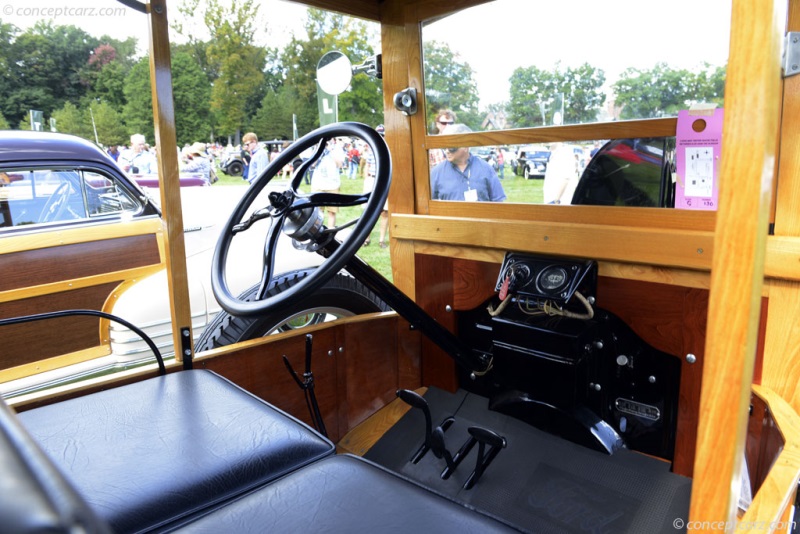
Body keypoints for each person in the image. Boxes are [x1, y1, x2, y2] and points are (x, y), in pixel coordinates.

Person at [430, 124, 506, 202]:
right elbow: (429, 205)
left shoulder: (486, 169)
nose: (447, 151)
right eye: (444, 146)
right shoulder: (436, 172)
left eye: (451, 147)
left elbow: (498, 201)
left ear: (466, 146)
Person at [311, 139, 345, 227]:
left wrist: (331, 151)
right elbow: (312, 165)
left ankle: (330, 233)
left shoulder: (337, 149)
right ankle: (318, 233)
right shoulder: (316, 149)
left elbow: (340, 165)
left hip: (333, 185)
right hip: (318, 184)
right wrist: (320, 152)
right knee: (318, 212)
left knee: (332, 212)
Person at [361, 142, 389, 248]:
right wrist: (366, 178)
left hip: (384, 180)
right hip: (372, 179)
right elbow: (367, 165)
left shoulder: (388, 150)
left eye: (383, 135)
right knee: (369, 210)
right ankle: (366, 238)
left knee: (385, 212)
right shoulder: (371, 150)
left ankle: (381, 240)